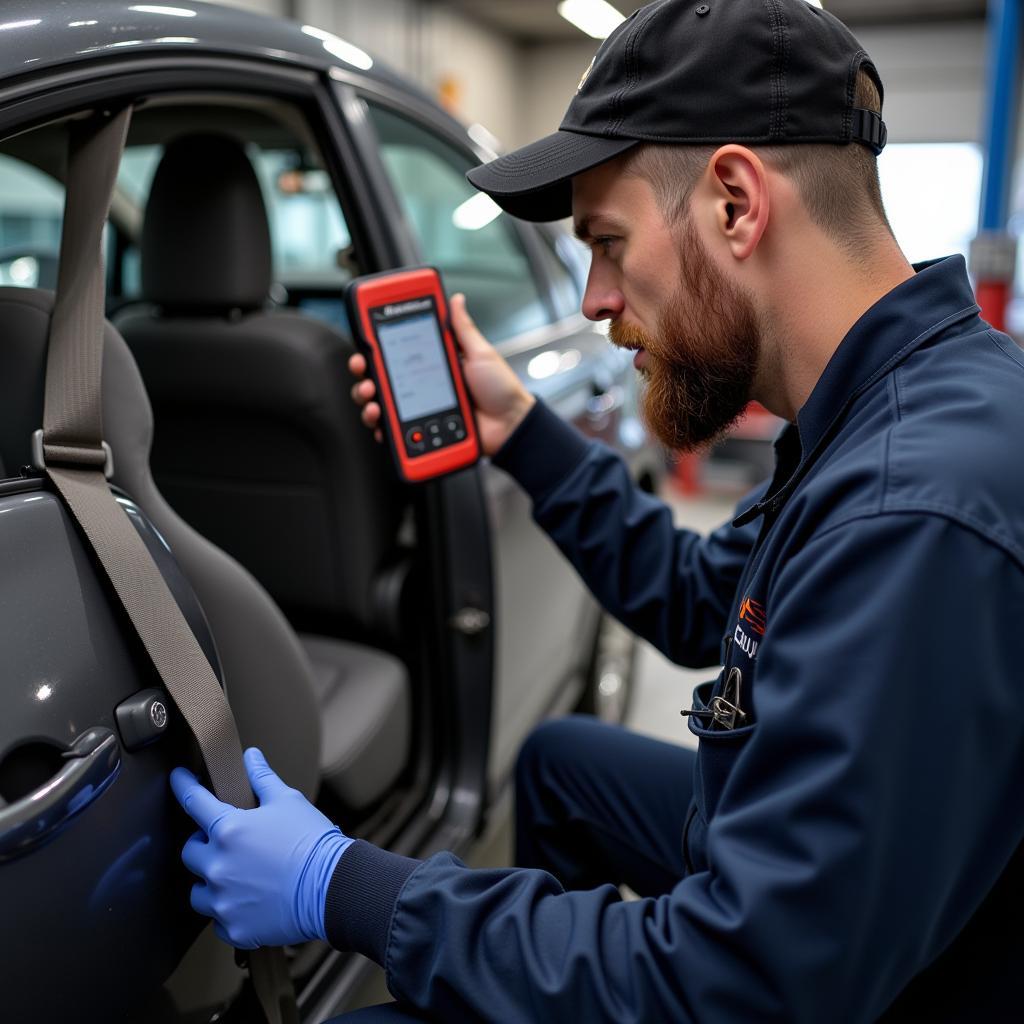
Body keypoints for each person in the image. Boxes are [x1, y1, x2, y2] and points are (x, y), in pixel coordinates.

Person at [170, 0, 1024, 1020]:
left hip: (862, 979)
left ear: (737, 204)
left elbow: (742, 984)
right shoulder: (889, 403)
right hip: (858, 901)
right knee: (564, 766)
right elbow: (699, 597)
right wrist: (522, 428)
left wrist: (343, 886)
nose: (590, 299)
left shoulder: (910, 512)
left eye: (607, 242)